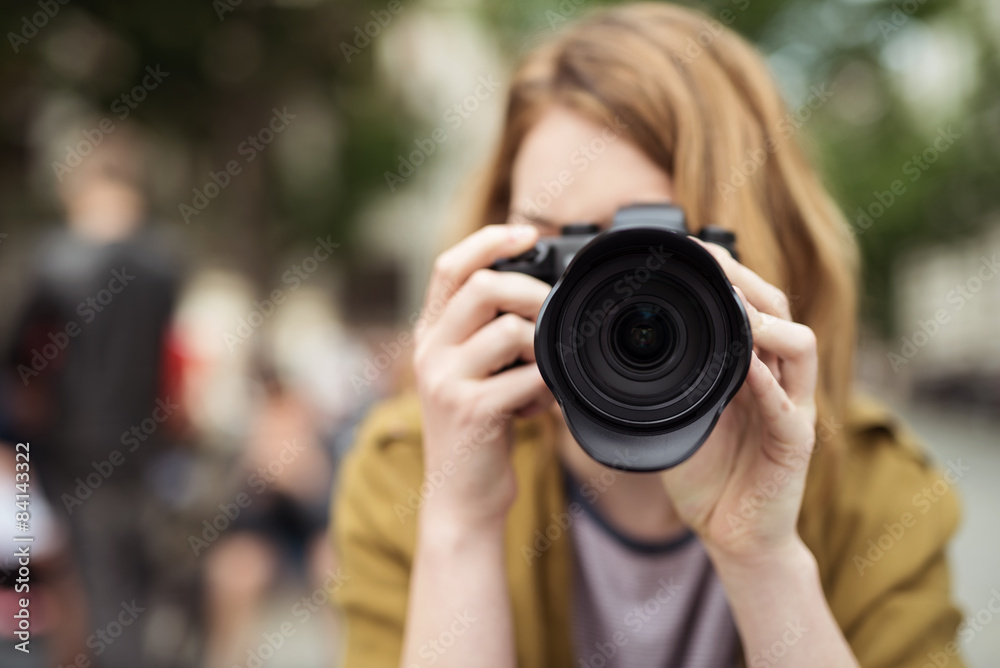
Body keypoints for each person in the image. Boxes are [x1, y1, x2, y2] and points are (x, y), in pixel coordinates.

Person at [331, 4, 965, 667]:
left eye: (650, 255)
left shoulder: (877, 491)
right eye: (557, 246)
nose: (601, 297)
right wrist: (460, 530)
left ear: (757, 250)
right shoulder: (413, 467)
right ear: (502, 255)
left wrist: (764, 559)